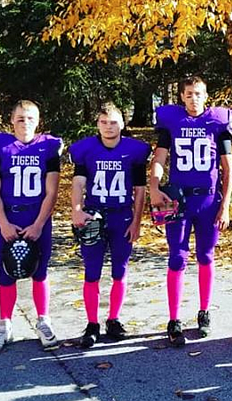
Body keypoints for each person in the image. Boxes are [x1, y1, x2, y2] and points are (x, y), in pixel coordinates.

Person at [150, 76, 232, 346]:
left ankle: (204, 311)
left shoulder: (217, 122)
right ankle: (174, 318)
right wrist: (154, 187)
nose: (194, 98)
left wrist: (226, 205)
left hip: (208, 201)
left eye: (198, 93)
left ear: (206, 96)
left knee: (206, 257)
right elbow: (160, 159)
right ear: (182, 96)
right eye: (189, 94)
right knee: (177, 257)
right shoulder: (171, 122)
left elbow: (228, 168)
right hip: (179, 201)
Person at [69, 103, 150, 348]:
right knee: (91, 271)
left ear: (123, 124)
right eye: (103, 122)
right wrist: (76, 210)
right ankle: (92, 323)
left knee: (120, 270)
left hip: (121, 216)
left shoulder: (133, 151)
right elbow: (78, 183)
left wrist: (137, 221)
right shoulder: (86, 150)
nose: (108, 127)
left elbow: (140, 190)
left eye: (113, 122)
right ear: (97, 124)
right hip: (95, 215)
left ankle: (113, 319)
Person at [0, 101, 62, 352]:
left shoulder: (48, 148)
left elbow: (52, 191)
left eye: (30, 118)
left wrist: (39, 224)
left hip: (37, 217)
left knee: (40, 271)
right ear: (11, 121)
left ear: (38, 121)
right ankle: (4, 325)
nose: (25, 122)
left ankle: (43, 321)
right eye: (20, 118)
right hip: (9, 217)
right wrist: (3, 223)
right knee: (6, 272)